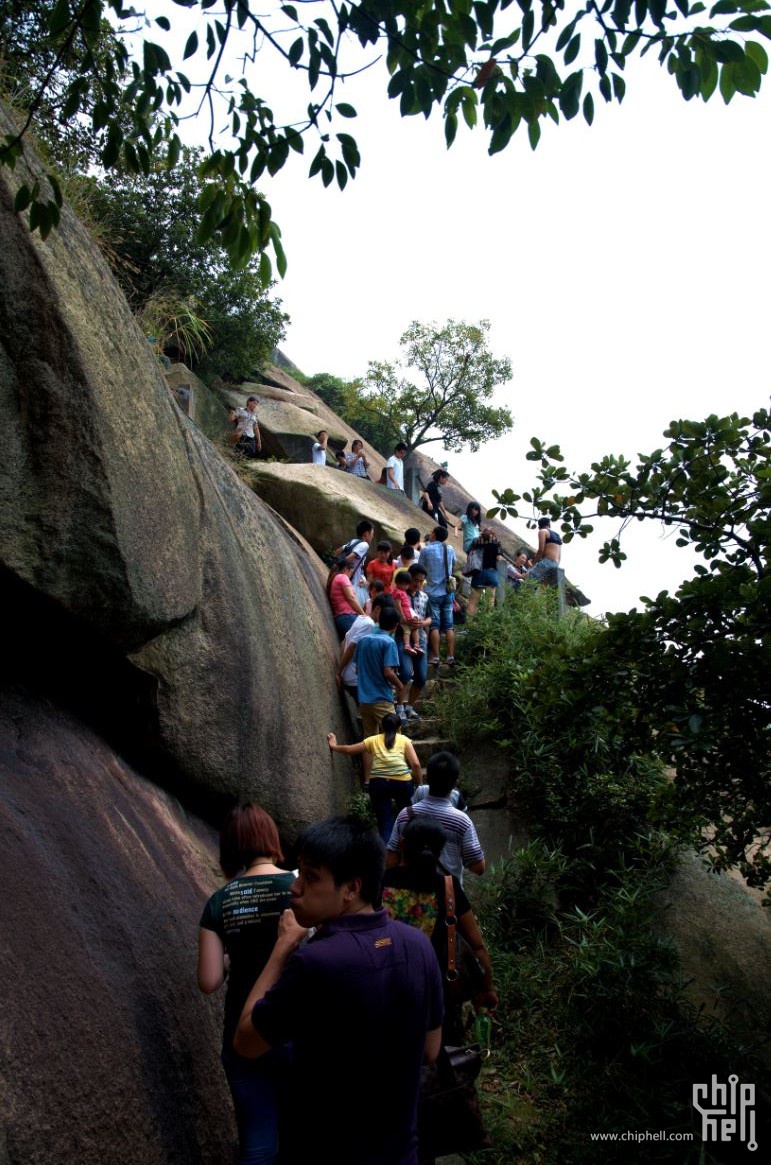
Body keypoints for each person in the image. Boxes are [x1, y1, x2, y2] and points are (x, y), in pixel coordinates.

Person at [233, 817, 444, 1165]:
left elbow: (246, 1041)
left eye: (311, 877)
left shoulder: (316, 962)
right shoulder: (419, 946)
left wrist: (283, 947)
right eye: (298, 872)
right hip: (401, 1152)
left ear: (351, 889)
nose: (295, 888)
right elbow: (430, 1049)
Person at [197, 804, 294, 1165]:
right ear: (270, 837)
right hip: (295, 1027)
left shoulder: (219, 901)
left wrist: (228, 958)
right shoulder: (298, 887)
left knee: (258, 1143)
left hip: (242, 1032)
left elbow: (208, 981)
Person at [382, 818, 498, 1042]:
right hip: (434, 989)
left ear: (403, 844)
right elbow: (477, 946)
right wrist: (487, 988)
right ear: (440, 850)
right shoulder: (448, 887)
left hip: (383, 984)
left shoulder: (381, 882)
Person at [386, 751, 485, 884]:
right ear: (455, 783)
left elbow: (390, 860)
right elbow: (478, 868)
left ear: (427, 779)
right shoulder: (462, 822)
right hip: (447, 894)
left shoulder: (405, 814)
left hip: (410, 894)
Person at [327, 711, 422, 840]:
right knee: (409, 818)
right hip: (402, 783)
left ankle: (386, 854)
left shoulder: (373, 740)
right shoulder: (404, 740)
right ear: (400, 728)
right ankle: (411, 848)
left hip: (378, 783)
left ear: (382, 727)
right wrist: (418, 782)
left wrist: (334, 746)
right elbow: (416, 764)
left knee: (385, 821)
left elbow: (350, 750)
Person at [352, 604, 404, 736]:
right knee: (395, 737)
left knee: (369, 740)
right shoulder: (389, 643)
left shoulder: (363, 641)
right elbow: (388, 672)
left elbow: (357, 670)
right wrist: (400, 685)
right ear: (395, 625)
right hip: (381, 698)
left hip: (364, 699)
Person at [338, 591, 395, 702]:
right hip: (355, 680)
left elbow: (344, 641)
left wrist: (341, 671)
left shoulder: (361, 618)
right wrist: (339, 672)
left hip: (350, 676)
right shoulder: (369, 625)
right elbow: (352, 647)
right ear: (378, 609)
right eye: (385, 613)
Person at [418, 526, 457, 666]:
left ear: (433, 535)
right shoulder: (450, 549)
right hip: (447, 592)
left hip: (432, 592)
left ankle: (435, 657)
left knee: (434, 625)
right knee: (449, 626)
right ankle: (450, 656)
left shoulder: (426, 550)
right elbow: (453, 563)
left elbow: (420, 568)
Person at [335, 519, 374, 607]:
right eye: (372, 534)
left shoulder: (353, 541)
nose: (372, 537)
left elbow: (337, 552)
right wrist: (347, 567)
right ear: (366, 534)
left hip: (348, 577)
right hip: (354, 581)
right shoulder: (365, 545)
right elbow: (349, 558)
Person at [466, 527, 503, 617]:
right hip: (491, 573)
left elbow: (469, 556)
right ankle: (486, 625)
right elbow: (499, 559)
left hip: (478, 572)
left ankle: (468, 625)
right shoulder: (496, 543)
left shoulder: (476, 541)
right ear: (493, 535)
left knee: (473, 602)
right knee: (490, 600)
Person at [327, 557, 367, 638]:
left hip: (344, 617)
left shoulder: (336, 577)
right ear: (346, 569)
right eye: (351, 572)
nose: (351, 575)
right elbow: (351, 598)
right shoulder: (342, 577)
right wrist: (363, 614)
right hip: (347, 616)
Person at [420, 469, 459, 537]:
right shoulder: (433, 484)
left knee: (444, 525)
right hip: (430, 508)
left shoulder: (439, 487)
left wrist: (444, 513)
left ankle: (436, 538)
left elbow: (440, 501)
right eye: (446, 479)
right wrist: (429, 503)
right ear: (441, 477)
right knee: (435, 524)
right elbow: (425, 493)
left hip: (436, 509)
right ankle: (430, 537)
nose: (446, 481)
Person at [528, 516, 562, 582]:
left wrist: (533, 563)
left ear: (539, 527)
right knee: (537, 583)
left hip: (547, 562)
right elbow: (559, 554)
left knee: (529, 578)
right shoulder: (558, 536)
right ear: (549, 524)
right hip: (556, 564)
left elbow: (541, 550)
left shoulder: (543, 531)